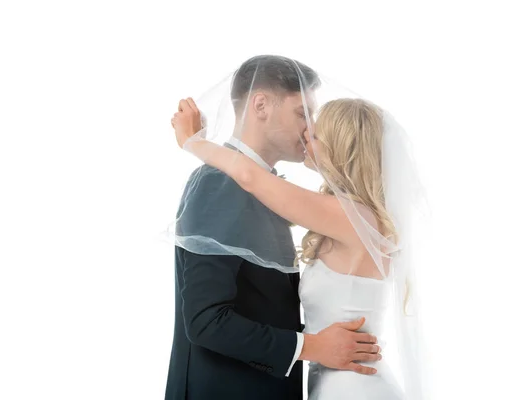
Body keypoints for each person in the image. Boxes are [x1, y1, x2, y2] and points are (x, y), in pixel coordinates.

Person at [172, 85, 428, 399]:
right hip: (334, 381)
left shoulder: (352, 217)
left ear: (341, 149)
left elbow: (251, 177)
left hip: (355, 387)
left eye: (316, 135)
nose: (306, 135)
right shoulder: (350, 215)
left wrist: (193, 142)